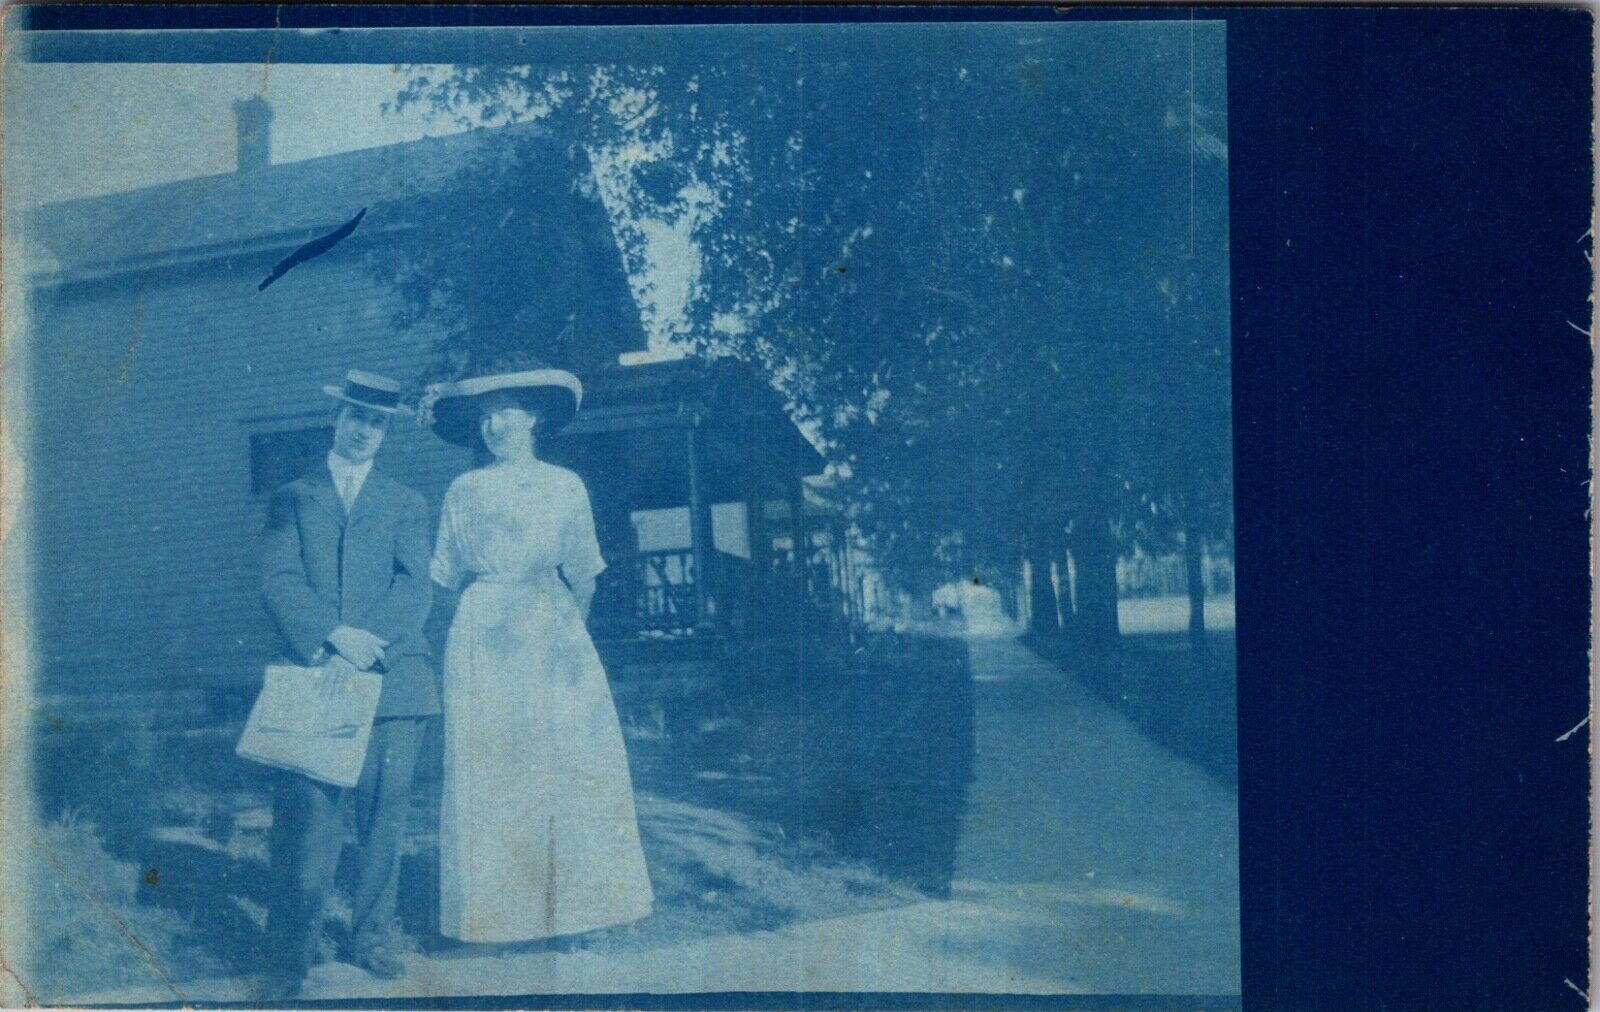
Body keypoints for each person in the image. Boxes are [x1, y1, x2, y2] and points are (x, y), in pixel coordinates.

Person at [423, 365, 653, 945]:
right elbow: (443, 576)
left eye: (506, 411)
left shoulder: (564, 485)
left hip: (551, 626)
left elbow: (586, 573)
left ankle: (579, 913)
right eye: (484, 416)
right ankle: (497, 918)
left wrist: (562, 629)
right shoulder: (463, 491)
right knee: (492, 765)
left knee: (567, 761)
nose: (495, 425)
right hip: (483, 629)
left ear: (533, 418)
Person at [257, 370, 438, 999]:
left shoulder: (407, 502)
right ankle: (293, 948)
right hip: (317, 672)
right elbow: (279, 579)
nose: (365, 431)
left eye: (378, 423)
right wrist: (330, 637)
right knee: (310, 816)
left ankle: (373, 937)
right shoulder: (294, 497)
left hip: (394, 678)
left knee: (383, 815)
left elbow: (415, 586)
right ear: (337, 420)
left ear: (387, 433)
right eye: (356, 417)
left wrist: (362, 645)